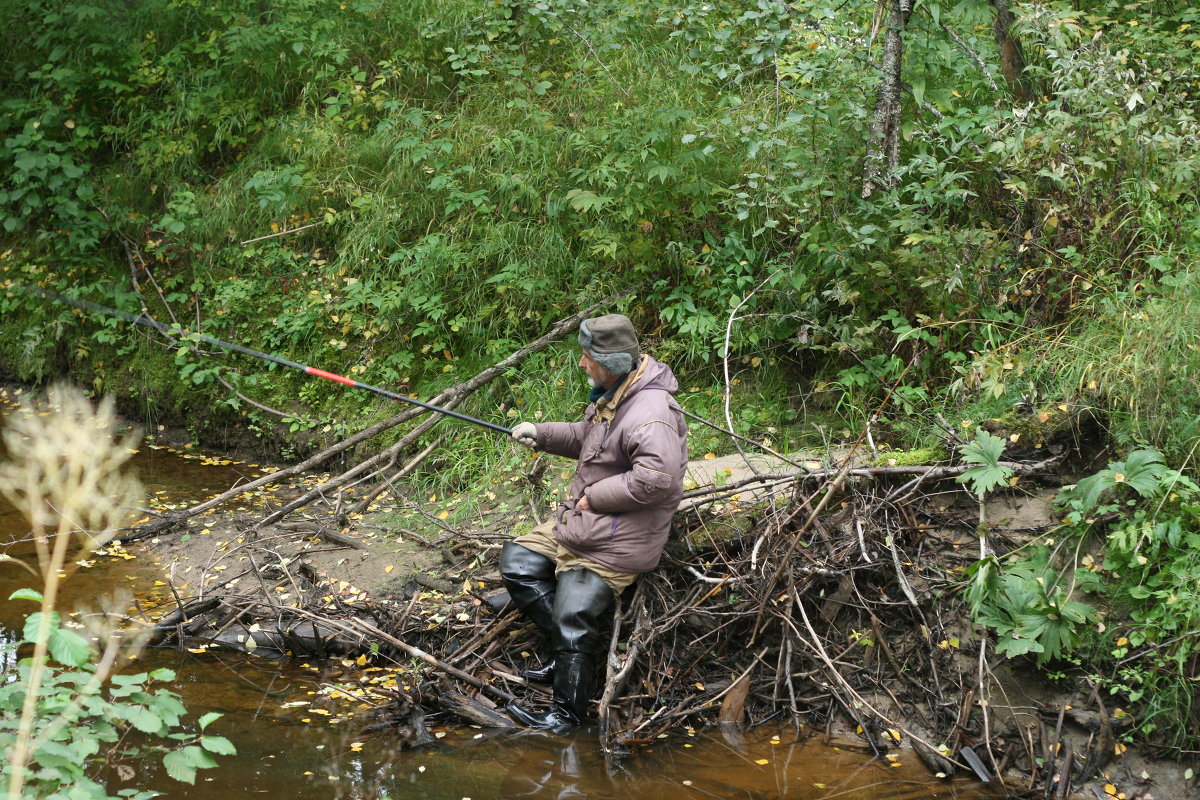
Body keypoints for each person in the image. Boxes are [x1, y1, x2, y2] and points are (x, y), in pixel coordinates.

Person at [502, 313, 688, 731]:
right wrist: (540, 432)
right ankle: (563, 654)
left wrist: (593, 497)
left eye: (587, 357)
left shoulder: (650, 412)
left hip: (619, 538)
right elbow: (586, 437)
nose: (582, 364)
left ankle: (566, 716)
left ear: (611, 362)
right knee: (518, 561)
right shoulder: (617, 393)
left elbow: (657, 480)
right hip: (585, 523)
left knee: (573, 615)